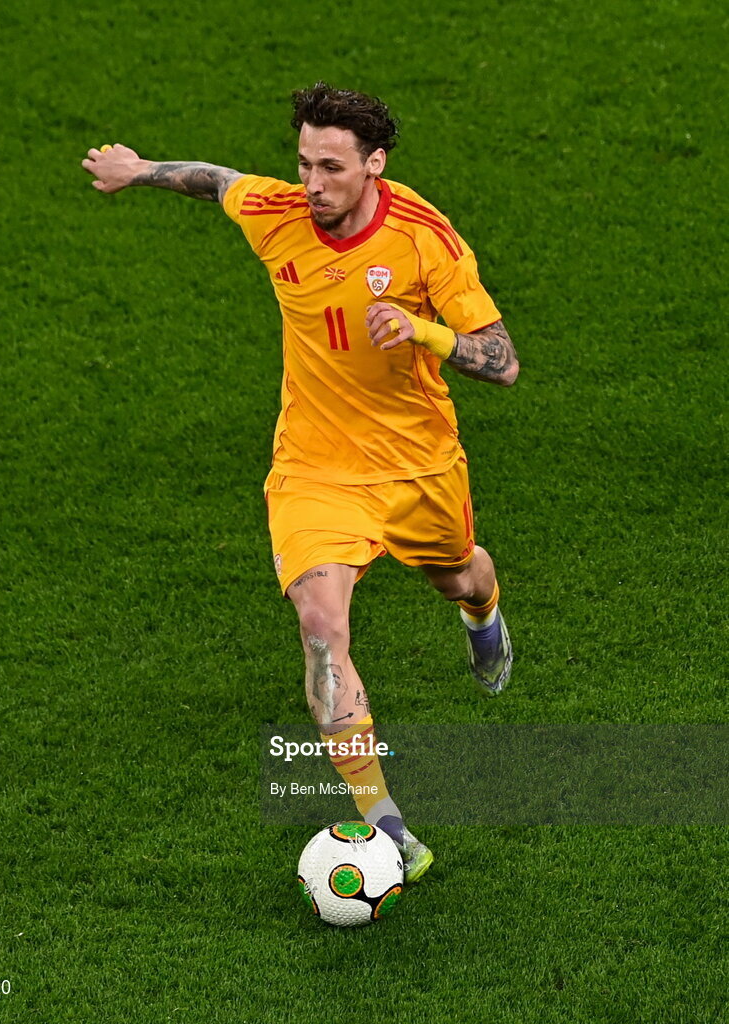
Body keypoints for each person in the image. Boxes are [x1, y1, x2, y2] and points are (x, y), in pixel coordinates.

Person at [82, 82, 519, 883]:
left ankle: (482, 610)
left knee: (459, 569)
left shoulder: (426, 240)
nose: (312, 184)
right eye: (303, 163)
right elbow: (217, 180)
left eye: (331, 167)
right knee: (321, 627)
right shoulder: (280, 213)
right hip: (313, 468)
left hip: (415, 465)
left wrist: (423, 330)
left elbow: (502, 360)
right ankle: (389, 828)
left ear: (374, 163)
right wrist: (138, 169)